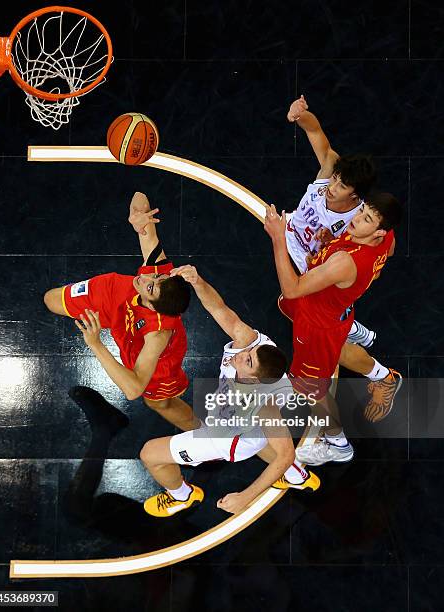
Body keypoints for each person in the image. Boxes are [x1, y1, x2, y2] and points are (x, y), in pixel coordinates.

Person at [140, 265, 320, 518]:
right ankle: (297, 476)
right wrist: (198, 281)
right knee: (259, 438)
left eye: (248, 361)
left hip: (227, 440)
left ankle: (181, 496)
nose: (241, 354)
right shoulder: (249, 343)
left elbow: (285, 452)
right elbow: (218, 308)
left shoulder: (264, 406)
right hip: (244, 425)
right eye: (249, 353)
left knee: (150, 454)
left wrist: (245, 497)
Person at [285, 95, 402, 421]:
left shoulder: (354, 228)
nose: (331, 187)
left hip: (317, 272)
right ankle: (352, 328)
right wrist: (301, 115)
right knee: (301, 308)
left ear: (356, 196)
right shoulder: (335, 178)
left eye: (340, 186)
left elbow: (301, 285)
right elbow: (317, 133)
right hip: (313, 260)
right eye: (334, 179)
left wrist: (278, 239)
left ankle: (334, 439)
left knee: (315, 352)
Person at [264, 191, 402, 465]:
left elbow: (292, 289)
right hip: (336, 310)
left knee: (310, 388)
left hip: (317, 325)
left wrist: (279, 238)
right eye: (362, 211)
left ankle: (338, 444)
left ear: (377, 233)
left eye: (367, 220)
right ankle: (384, 376)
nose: (357, 219)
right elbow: (387, 252)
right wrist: (329, 245)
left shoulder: (345, 263)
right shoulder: (386, 238)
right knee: (338, 347)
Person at [43, 193, 199, 433]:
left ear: (152, 306)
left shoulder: (157, 335)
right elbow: (141, 197)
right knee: (51, 299)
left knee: (157, 402)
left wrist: (95, 344)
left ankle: (204, 437)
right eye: (155, 277)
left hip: (153, 364)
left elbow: (133, 389)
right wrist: (139, 216)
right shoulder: (160, 276)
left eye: (149, 286)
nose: (144, 276)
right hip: (116, 298)